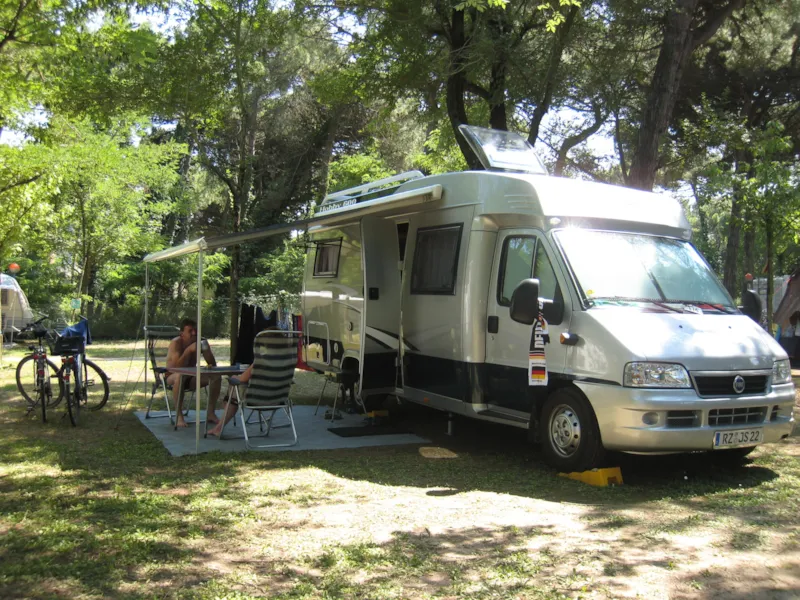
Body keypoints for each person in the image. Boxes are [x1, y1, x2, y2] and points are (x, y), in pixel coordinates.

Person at [166, 318, 222, 428]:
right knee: (180, 376)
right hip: (172, 376)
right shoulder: (176, 343)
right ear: (182, 334)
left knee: (216, 376)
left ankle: (210, 413)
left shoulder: (200, 341)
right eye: (190, 331)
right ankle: (179, 416)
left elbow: (213, 365)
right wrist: (188, 350)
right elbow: (177, 368)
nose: (194, 333)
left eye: (196, 330)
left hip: (191, 376)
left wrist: (206, 350)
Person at [206, 363, 253, 437]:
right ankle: (227, 400)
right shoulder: (277, 360)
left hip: (257, 399)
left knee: (234, 385)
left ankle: (219, 427)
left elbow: (242, 379)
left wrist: (234, 377)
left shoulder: (261, 360)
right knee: (235, 389)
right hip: (275, 400)